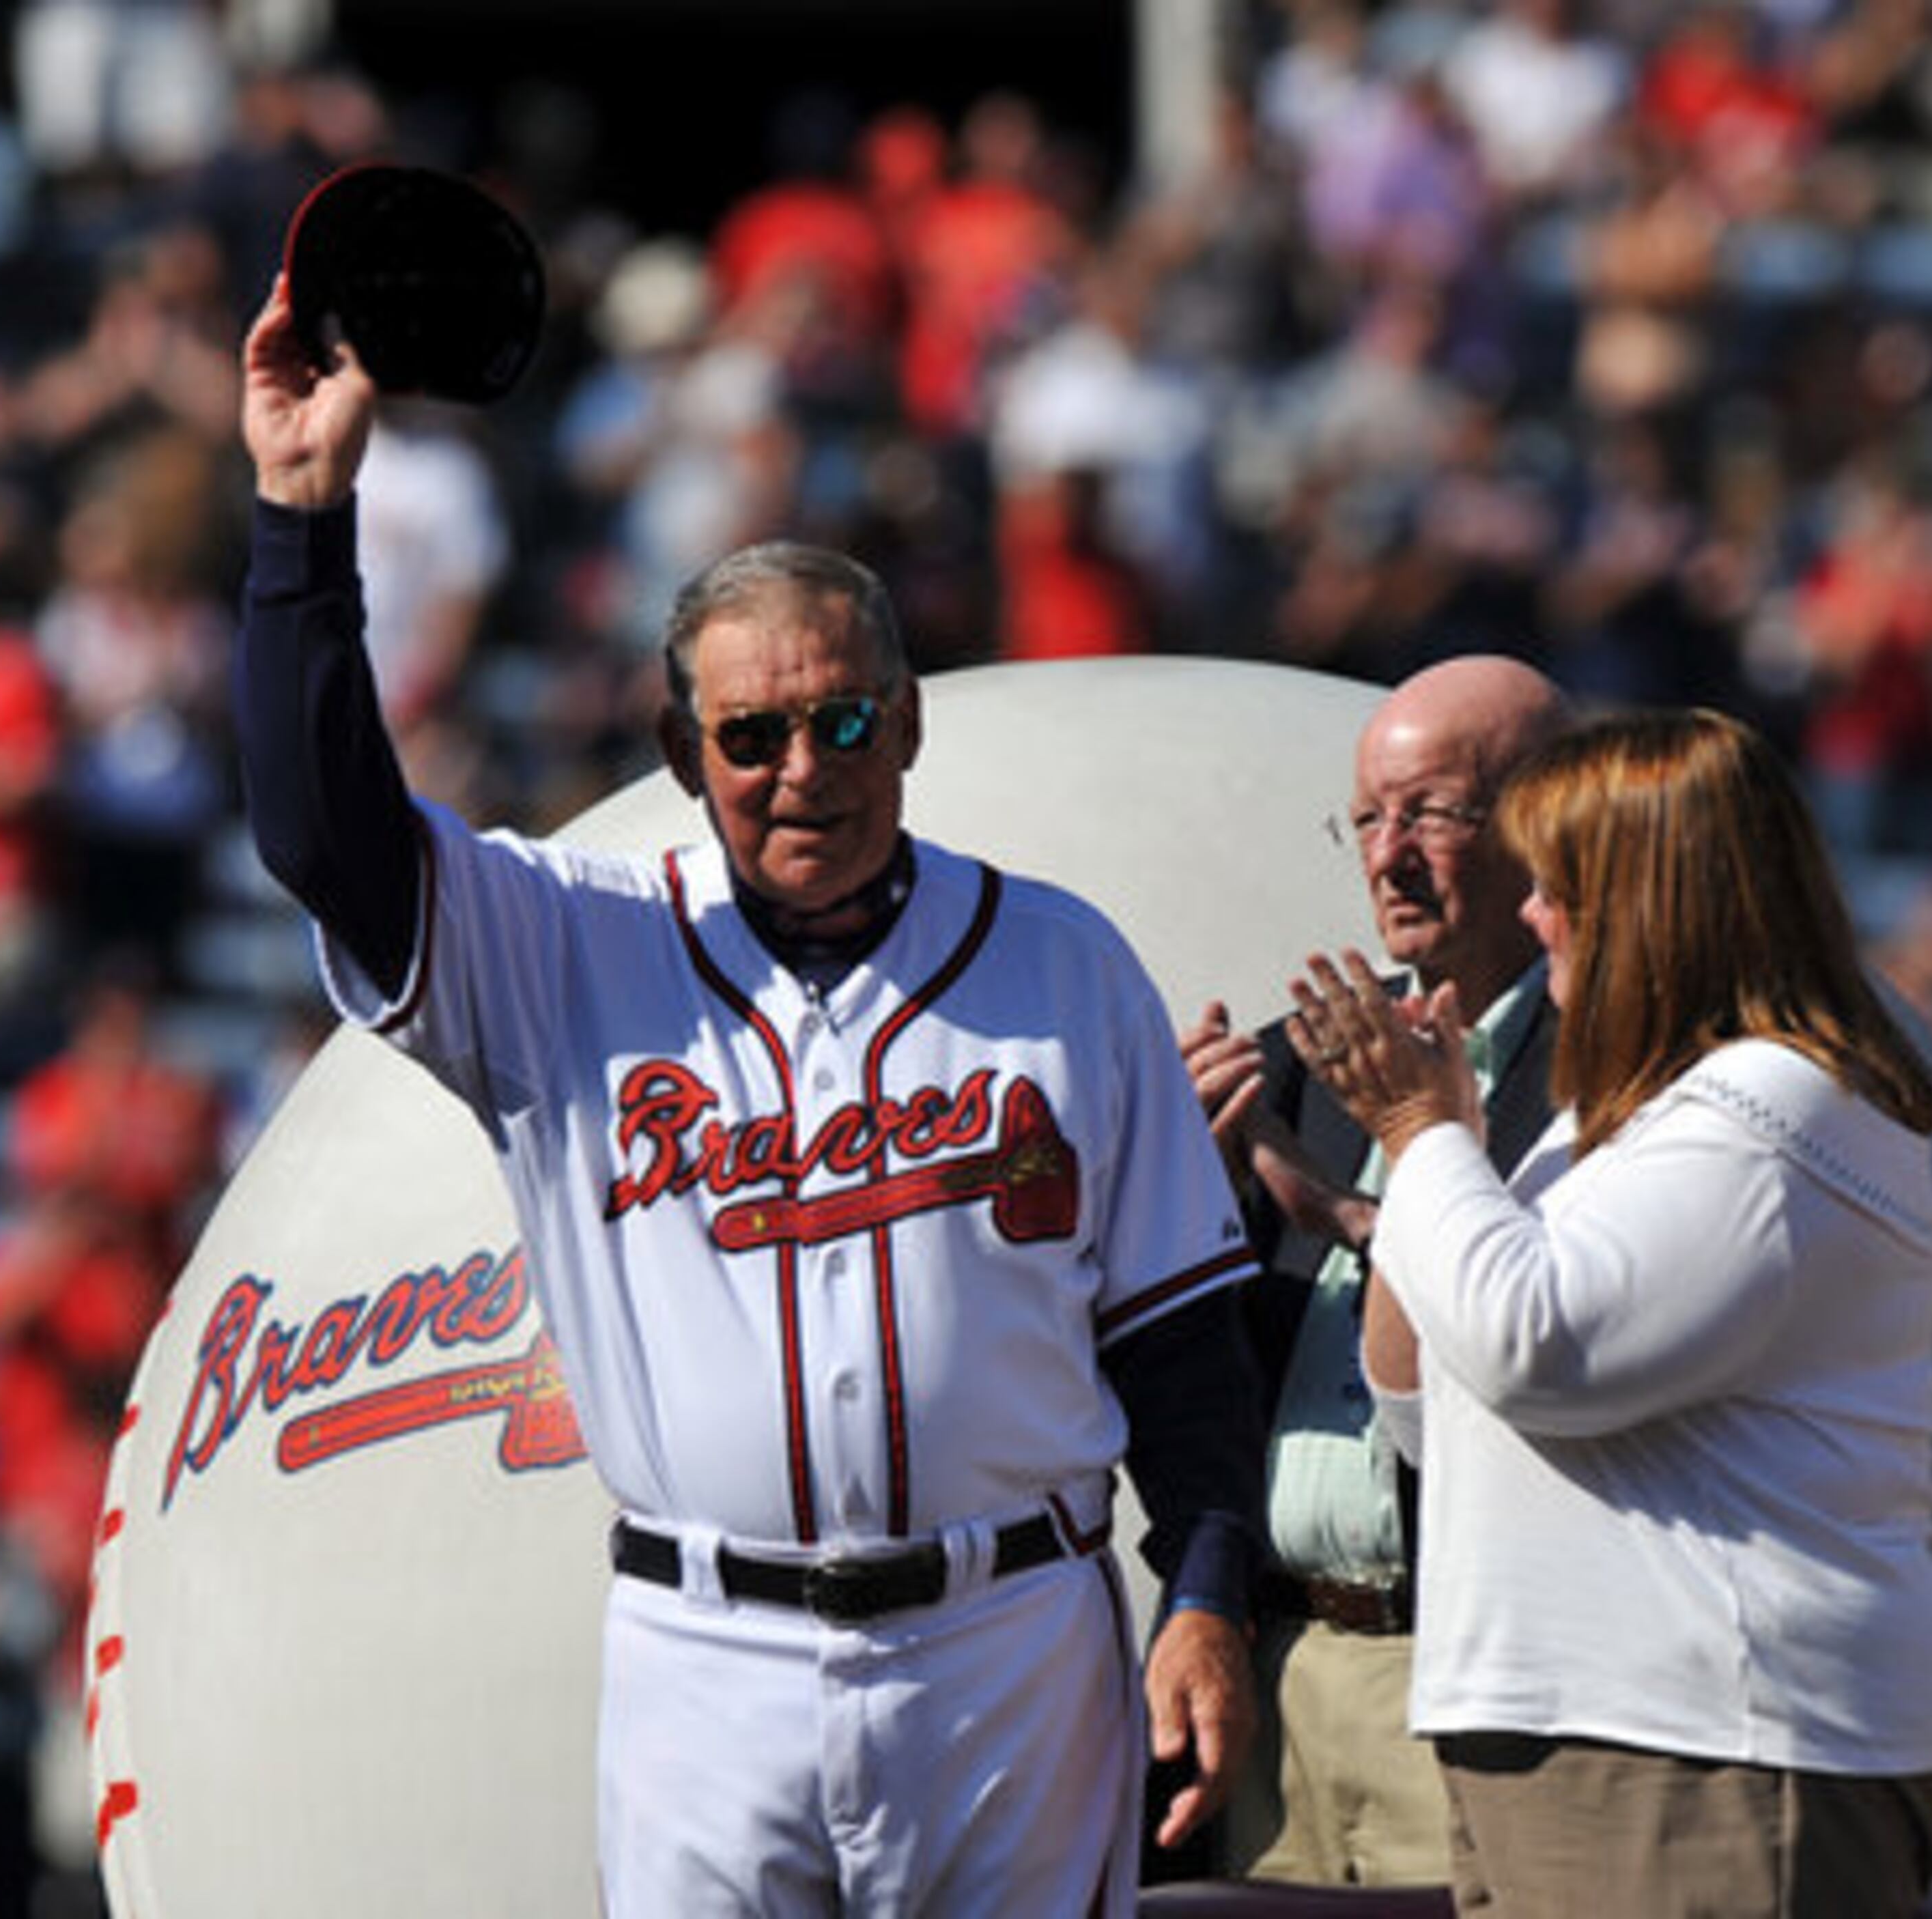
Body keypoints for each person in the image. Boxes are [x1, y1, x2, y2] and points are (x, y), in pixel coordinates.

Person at [230, 268, 1264, 1916]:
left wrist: (1207, 1587)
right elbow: (323, 838)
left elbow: (1182, 1348)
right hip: (701, 1656)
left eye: (846, 719)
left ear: (910, 723)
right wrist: (302, 516)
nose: (806, 768)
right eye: (755, 732)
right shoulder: (567, 948)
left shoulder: (1065, 964)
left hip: (1013, 1643)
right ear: (677, 743)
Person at [1285, 707, 1932, 1918]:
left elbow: (1538, 1348)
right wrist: (1409, 1173)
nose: (1536, 914)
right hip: (1585, 1741)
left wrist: (1420, 1132)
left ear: (1658, 899)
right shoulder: (1627, 1118)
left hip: (1710, 1752)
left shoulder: (1774, 1107)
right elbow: (1425, 1405)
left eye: (1561, 888)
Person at [1178, 653, 1566, 1887]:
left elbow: (1541, 1341)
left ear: (1544, 821)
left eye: (1434, 813)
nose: (1388, 853)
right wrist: (1179, 1203)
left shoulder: (1616, 1072)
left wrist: (1356, 1213)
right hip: (1280, 1664)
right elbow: (1194, 1381)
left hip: (1467, 1681)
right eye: (1367, 818)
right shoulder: (1298, 1060)